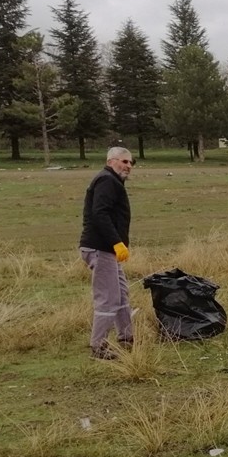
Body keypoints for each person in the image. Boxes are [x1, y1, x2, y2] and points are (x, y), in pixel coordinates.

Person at [79, 146, 136, 360]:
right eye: (124, 161)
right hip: (101, 248)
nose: (128, 166)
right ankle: (98, 347)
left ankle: (127, 337)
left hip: (108, 250)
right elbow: (99, 213)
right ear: (111, 161)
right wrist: (116, 243)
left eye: (131, 163)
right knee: (108, 298)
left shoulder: (113, 181)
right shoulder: (106, 180)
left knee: (121, 293)